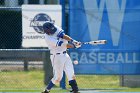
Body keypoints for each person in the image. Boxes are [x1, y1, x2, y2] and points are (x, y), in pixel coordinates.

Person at [41, 21, 81, 93]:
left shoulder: (54, 28)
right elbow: (63, 44)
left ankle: (75, 90)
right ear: (46, 31)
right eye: (51, 30)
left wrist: (73, 41)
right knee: (58, 77)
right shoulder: (48, 38)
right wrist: (74, 46)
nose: (53, 30)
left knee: (71, 73)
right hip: (56, 57)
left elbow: (63, 35)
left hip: (65, 54)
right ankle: (47, 90)